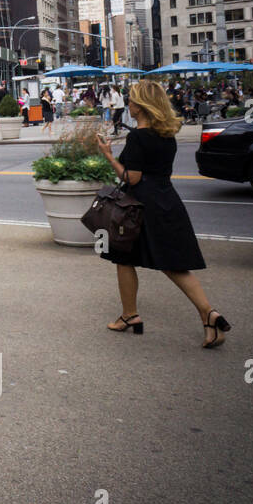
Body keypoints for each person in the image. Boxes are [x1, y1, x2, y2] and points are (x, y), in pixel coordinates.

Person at [96, 80, 228, 348]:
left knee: (124, 256)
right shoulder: (166, 135)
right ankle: (205, 314)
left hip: (141, 206)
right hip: (167, 199)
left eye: (131, 100)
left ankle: (133, 315)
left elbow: (131, 178)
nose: (128, 104)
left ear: (141, 106)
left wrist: (109, 156)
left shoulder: (138, 137)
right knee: (169, 263)